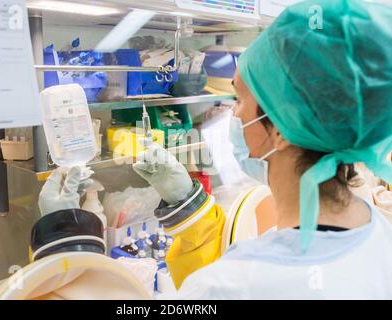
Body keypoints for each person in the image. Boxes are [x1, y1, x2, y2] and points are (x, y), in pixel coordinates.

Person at [36, 0, 392, 299]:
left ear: (282, 127)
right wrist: (185, 203)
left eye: (240, 99)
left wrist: (64, 242)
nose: (233, 114)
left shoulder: (233, 287)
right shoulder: (378, 231)